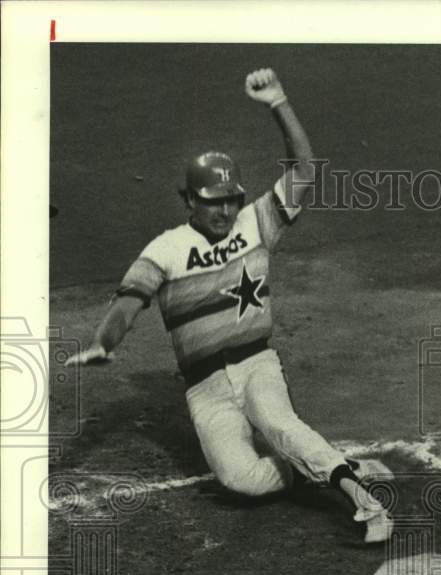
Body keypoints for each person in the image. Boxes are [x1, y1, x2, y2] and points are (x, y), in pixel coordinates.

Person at [65, 68, 391, 544]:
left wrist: (279, 102)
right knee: (240, 479)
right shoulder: (166, 249)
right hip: (205, 389)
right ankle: (313, 466)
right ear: (188, 202)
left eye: (230, 199)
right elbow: (129, 301)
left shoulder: (257, 221)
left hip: (256, 363)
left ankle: (360, 496)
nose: (223, 211)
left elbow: (305, 168)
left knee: (278, 422)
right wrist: (103, 341)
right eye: (211, 202)